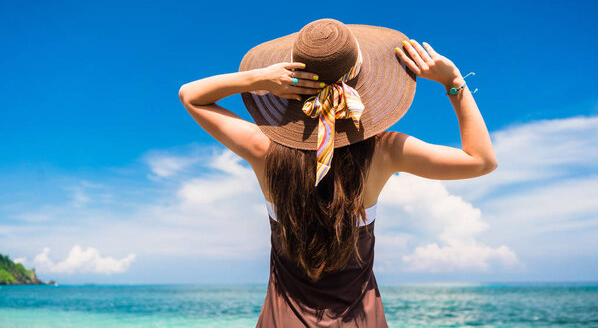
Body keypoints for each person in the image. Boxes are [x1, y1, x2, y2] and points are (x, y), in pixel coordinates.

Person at [178, 18, 497, 327]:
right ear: (360, 79)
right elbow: (481, 161)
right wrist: (454, 82)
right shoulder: (383, 151)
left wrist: (256, 80)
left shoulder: (264, 149)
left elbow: (191, 96)